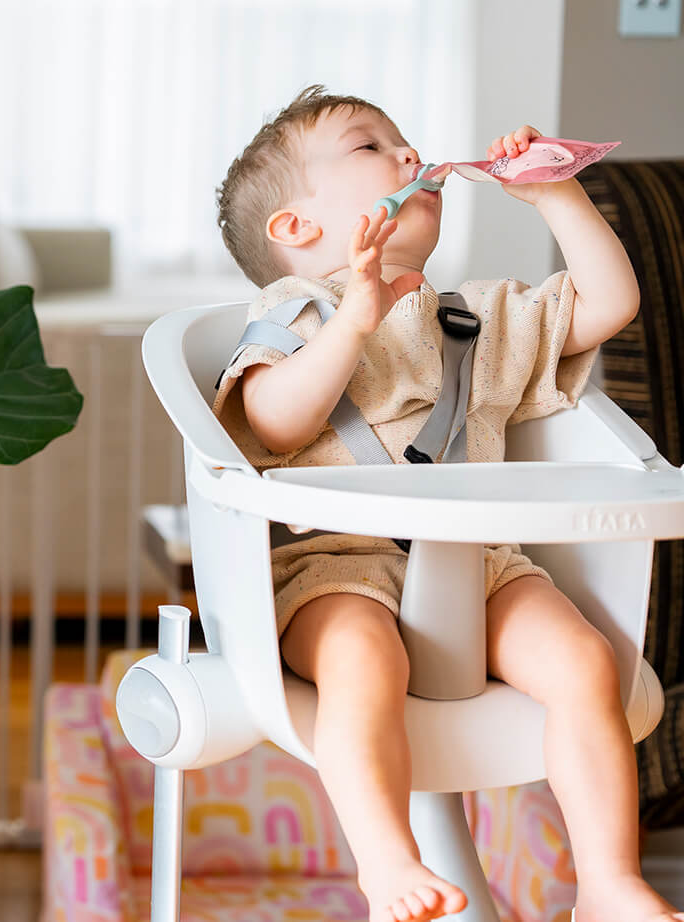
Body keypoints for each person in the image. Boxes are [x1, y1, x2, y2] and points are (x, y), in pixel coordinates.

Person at [213, 86, 680, 922]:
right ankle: (389, 861)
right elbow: (273, 423)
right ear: (296, 229)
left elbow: (611, 306)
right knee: (364, 660)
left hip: (480, 567)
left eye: (404, 141)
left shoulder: (475, 317)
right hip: (335, 567)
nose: (406, 154)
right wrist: (351, 321)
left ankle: (606, 881)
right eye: (369, 147)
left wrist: (555, 196)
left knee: (583, 662)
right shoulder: (291, 313)